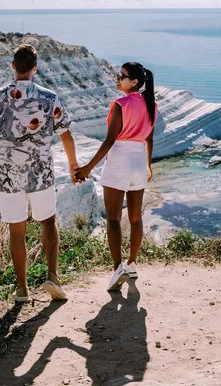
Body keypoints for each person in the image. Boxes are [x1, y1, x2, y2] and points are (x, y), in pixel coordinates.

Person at [0, 44, 79, 302]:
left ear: (13, 66)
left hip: (8, 175)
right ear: (35, 67)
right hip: (41, 172)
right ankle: (52, 276)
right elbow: (65, 134)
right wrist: (73, 164)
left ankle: (22, 289)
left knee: (17, 230)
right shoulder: (48, 97)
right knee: (47, 222)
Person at [75, 62, 157, 291]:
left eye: (122, 76)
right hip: (139, 160)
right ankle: (131, 264)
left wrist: (87, 168)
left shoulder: (120, 104)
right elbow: (149, 138)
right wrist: (149, 166)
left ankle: (117, 267)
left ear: (134, 82)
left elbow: (110, 141)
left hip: (120, 159)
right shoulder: (152, 105)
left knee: (112, 218)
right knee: (135, 217)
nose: (117, 79)